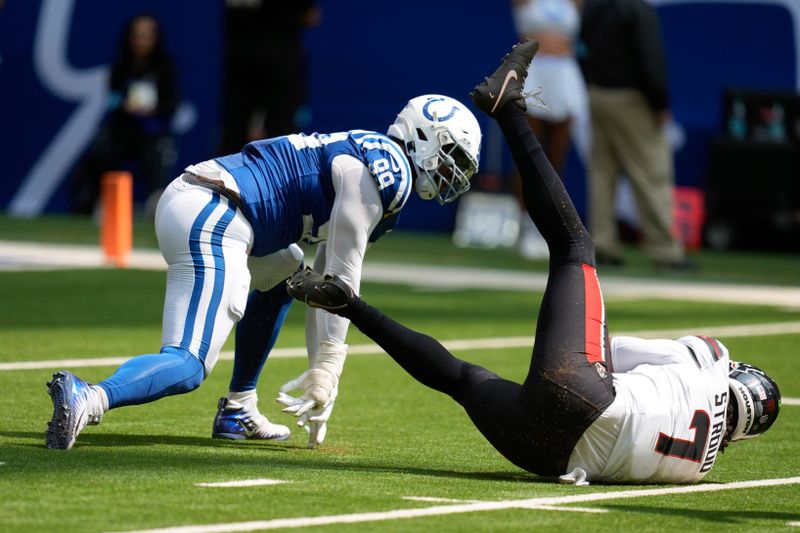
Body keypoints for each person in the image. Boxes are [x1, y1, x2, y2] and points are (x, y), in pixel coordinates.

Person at [283, 41, 781, 484]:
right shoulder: (702, 467)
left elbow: (616, 348)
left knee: (573, 249)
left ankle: (509, 109)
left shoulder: (713, 366)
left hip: (588, 396)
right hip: (552, 454)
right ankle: (349, 305)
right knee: (460, 379)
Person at [45, 95, 482, 450]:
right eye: (449, 157)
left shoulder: (372, 160)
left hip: (210, 204)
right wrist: (328, 364)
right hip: (217, 213)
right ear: (422, 137)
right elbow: (344, 278)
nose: (452, 173)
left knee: (288, 273)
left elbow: (323, 283)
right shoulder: (389, 170)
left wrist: (322, 368)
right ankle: (91, 396)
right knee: (189, 363)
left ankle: (239, 405)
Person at [578, 0, 691, 269]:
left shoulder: (593, 6)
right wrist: (660, 102)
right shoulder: (638, 9)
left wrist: (591, 84)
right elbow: (651, 57)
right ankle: (665, 252)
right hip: (631, 98)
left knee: (602, 173)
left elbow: (581, 49)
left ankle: (602, 246)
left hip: (598, 94)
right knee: (651, 172)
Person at [70, 13, 179, 215]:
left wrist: (153, 110)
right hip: (122, 130)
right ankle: (89, 208)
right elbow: (111, 99)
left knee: (157, 162)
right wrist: (123, 105)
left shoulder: (165, 68)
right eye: (137, 35)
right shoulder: (120, 66)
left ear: (155, 38)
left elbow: (171, 106)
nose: (141, 41)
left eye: (147, 36)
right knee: (95, 159)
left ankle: (156, 210)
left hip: (152, 134)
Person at [507, 0, 588, 260]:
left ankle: (549, 228)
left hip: (565, 73)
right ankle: (523, 225)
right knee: (529, 155)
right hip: (533, 69)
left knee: (556, 159)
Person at [218, 1, 320, 154]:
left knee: (234, 135)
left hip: (241, 60)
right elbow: (311, 17)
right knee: (281, 139)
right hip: (279, 62)